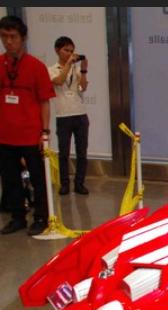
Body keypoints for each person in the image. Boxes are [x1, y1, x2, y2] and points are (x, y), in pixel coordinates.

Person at [0, 15, 55, 236]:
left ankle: (41, 217)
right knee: (10, 180)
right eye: (4, 36)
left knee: (38, 179)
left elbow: (45, 102)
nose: (8, 41)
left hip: (31, 135)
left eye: (13, 36)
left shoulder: (36, 67)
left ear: (23, 38)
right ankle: (17, 217)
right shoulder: (0, 64)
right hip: (5, 135)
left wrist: (45, 132)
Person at [48, 36, 89, 195]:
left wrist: (83, 71)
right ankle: (64, 184)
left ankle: (79, 183)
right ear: (57, 50)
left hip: (80, 114)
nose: (70, 54)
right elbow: (59, 81)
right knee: (63, 153)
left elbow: (83, 87)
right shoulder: (51, 69)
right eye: (66, 50)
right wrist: (69, 64)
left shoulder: (75, 69)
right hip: (63, 116)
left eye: (72, 51)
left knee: (82, 152)